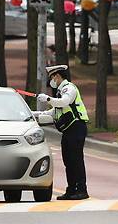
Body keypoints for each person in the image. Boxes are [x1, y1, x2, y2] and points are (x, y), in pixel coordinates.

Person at [37, 65, 89, 200]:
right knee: (68, 160)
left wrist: (48, 99)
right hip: (68, 130)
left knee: (76, 160)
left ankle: (81, 190)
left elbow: (64, 102)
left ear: (58, 76)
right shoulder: (60, 92)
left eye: (52, 78)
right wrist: (33, 114)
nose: (51, 81)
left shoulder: (69, 89)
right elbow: (54, 111)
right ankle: (71, 190)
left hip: (77, 127)